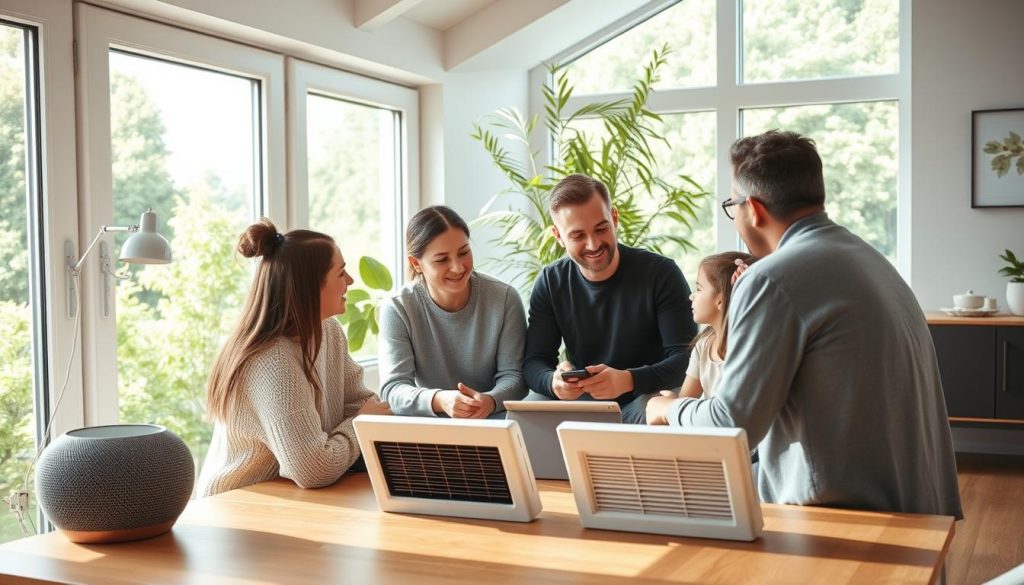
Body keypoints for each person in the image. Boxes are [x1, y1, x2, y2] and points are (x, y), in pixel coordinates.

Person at [646, 130, 963, 518]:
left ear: (755, 209)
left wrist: (669, 408)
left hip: (843, 520)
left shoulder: (772, 278)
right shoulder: (870, 259)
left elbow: (730, 426)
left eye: (733, 205)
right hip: (917, 506)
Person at [198, 219, 391, 497]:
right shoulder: (271, 361)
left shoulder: (329, 332)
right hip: (237, 506)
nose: (350, 281)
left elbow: (362, 404)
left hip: (288, 498)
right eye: (341, 273)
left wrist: (362, 418)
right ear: (311, 287)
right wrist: (360, 424)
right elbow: (313, 468)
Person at [522, 174, 697, 424]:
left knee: (655, 410)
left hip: (646, 396)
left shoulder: (661, 273)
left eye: (601, 228)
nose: (593, 244)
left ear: (614, 219)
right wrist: (553, 382)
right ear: (558, 236)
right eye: (578, 236)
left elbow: (687, 359)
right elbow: (534, 362)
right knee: (526, 412)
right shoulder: (551, 282)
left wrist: (628, 379)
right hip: (585, 403)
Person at [378, 205, 527, 418]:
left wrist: (489, 401)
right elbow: (393, 390)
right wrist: (440, 400)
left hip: (494, 422)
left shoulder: (504, 299)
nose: (458, 267)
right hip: (430, 427)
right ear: (416, 263)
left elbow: (516, 376)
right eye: (442, 260)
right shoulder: (398, 309)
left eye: (464, 252)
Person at [679, 252, 756, 399]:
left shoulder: (747, 348)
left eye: (699, 289)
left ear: (721, 300)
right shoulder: (703, 345)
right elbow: (683, 401)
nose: (691, 296)